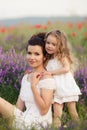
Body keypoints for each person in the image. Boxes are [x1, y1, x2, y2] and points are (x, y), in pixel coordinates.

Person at [0, 34, 56, 130]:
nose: (31, 57)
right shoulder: (26, 77)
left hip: (38, 124)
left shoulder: (47, 79)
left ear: (44, 57)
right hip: (23, 118)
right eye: (29, 53)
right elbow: (18, 108)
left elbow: (44, 111)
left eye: (37, 54)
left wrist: (33, 86)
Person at [44, 30, 81, 127]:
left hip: (66, 87)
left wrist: (51, 72)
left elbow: (66, 68)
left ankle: (79, 127)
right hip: (56, 90)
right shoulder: (48, 58)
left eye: (54, 44)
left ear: (60, 46)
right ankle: (57, 128)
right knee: (57, 115)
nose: (49, 46)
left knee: (73, 112)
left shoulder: (62, 56)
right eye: (48, 43)